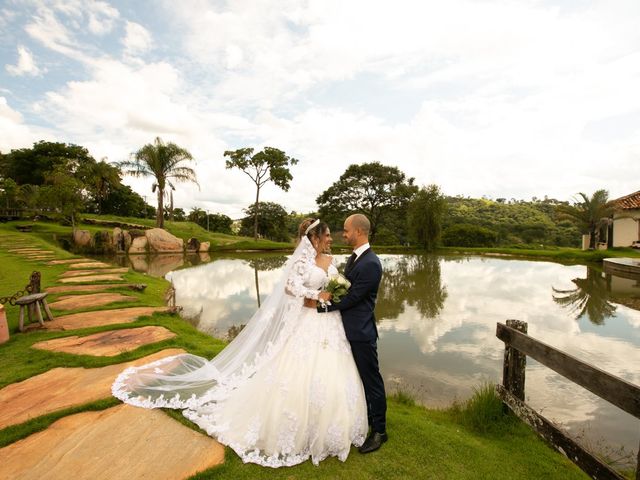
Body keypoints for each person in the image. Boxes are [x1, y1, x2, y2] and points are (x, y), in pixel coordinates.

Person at [112, 219, 367, 468]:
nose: (332, 238)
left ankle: (330, 427)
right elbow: (291, 288)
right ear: (314, 237)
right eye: (327, 235)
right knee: (297, 369)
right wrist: (315, 295)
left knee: (332, 370)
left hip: (330, 323)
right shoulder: (301, 260)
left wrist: (333, 292)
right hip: (308, 322)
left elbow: (333, 285)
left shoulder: (330, 260)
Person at [317, 213, 387, 453]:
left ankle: (379, 431)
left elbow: (354, 298)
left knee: (372, 381)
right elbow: (345, 288)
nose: (343, 234)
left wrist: (322, 306)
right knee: (356, 380)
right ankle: (365, 420)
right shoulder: (356, 258)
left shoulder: (371, 263)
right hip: (348, 330)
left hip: (361, 332)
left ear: (358, 231)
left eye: (346, 230)